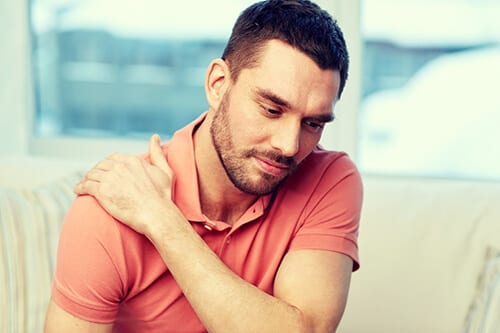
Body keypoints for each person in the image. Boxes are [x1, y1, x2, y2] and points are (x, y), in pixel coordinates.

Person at [44, 0, 363, 332]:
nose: (289, 146)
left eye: (313, 124)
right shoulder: (110, 209)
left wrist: (164, 223)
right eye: (271, 109)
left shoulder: (330, 179)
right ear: (218, 84)